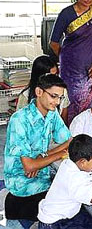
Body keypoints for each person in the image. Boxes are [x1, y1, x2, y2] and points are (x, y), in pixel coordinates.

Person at [4, 74, 72, 228]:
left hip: (41, 173)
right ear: (39, 92)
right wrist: (55, 155)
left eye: (60, 98)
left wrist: (42, 158)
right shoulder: (19, 120)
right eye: (54, 96)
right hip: (21, 180)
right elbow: (28, 167)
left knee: (72, 194)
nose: (57, 102)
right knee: (68, 206)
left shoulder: (52, 113)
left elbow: (68, 141)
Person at [38, 134, 92, 228]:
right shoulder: (74, 179)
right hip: (55, 224)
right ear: (83, 162)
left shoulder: (70, 162)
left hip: (58, 214)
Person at [16, 55, 70, 124]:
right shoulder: (25, 96)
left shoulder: (62, 92)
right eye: (50, 76)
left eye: (56, 75)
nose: (54, 80)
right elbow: (20, 124)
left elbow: (64, 120)